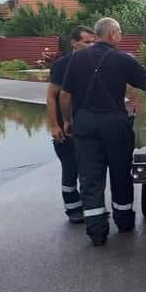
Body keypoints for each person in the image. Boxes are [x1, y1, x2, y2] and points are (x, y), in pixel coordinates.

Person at [60, 17, 146, 246]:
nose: (121, 37)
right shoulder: (123, 59)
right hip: (115, 123)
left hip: (85, 124)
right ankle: (124, 222)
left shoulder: (76, 58)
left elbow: (65, 95)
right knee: (120, 174)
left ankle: (96, 232)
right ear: (113, 34)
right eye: (120, 33)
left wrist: (68, 121)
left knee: (90, 178)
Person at [47, 25, 95, 224]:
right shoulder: (62, 65)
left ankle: (90, 207)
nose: (91, 45)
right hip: (65, 127)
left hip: (86, 125)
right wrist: (54, 125)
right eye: (87, 42)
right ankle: (72, 208)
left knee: (88, 169)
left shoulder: (94, 63)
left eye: (93, 42)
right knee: (70, 168)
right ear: (74, 43)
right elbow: (52, 96)